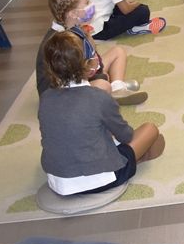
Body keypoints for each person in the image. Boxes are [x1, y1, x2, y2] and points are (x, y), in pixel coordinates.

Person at [38, 31, 165, 197]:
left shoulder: (46, 98)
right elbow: (126, 136)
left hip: (58, 181)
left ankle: (134, 159)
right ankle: (134, 161)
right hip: (100, 180)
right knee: (150, 130)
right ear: (89, 65)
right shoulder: (98, 97)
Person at [35, 0, 146, 105]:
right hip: (60, 93)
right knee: (102, 84)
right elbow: (73, 77)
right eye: (87, 2)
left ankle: (117, 87)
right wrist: (98, 76)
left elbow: (92, 57)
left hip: (76, 75)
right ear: (73, 14)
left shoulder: (73, 27)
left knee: (118, 52)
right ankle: (111, 90)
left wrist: (87, 37)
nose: (91, 5)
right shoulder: (62, 42)